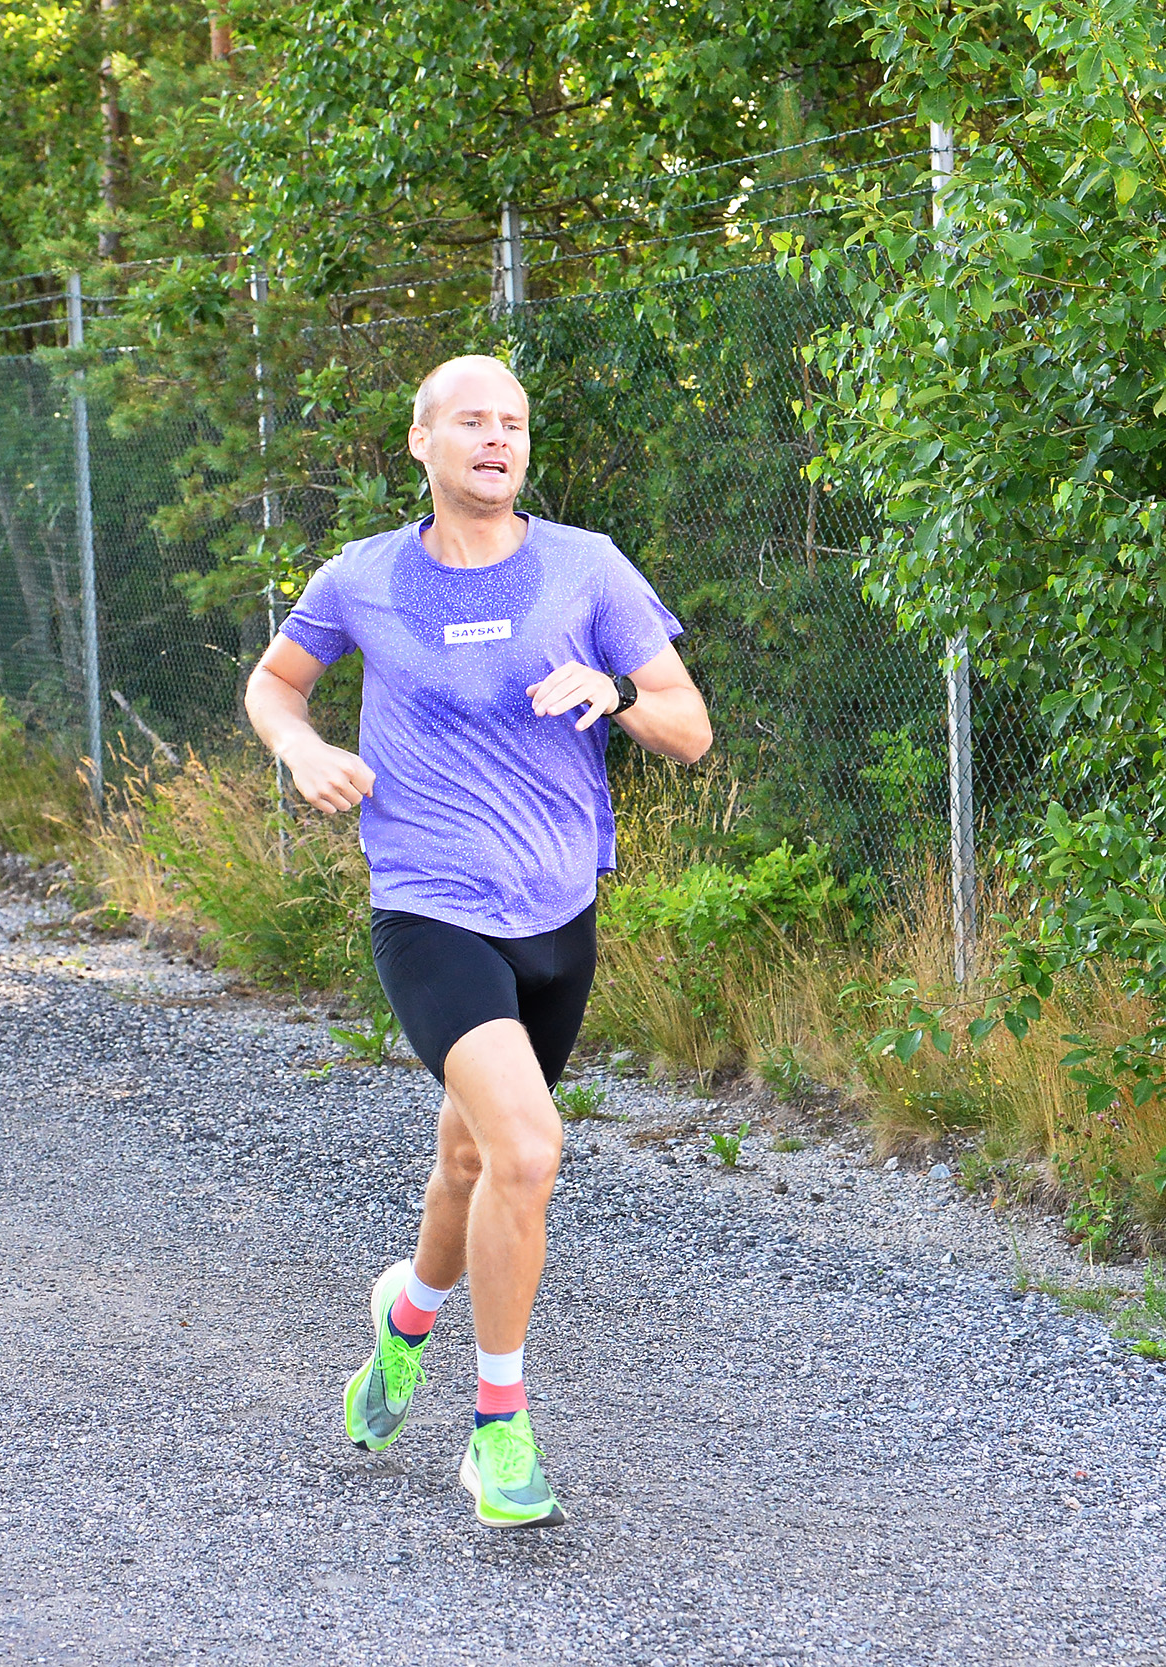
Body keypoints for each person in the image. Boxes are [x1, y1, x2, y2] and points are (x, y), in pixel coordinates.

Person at [245, 354, 712, 1529]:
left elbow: (689, 729)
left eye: (510, 422)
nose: (495, 438)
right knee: (532, 1148)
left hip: (556, 913)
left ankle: (404, 1321)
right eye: (471, 420)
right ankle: (496, 1424)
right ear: (422, 442)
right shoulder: (363, 579)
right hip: (426, 904)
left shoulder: (586, 566)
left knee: (474, 1162)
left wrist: (611, 693)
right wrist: (302, 752)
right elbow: (274, 685)